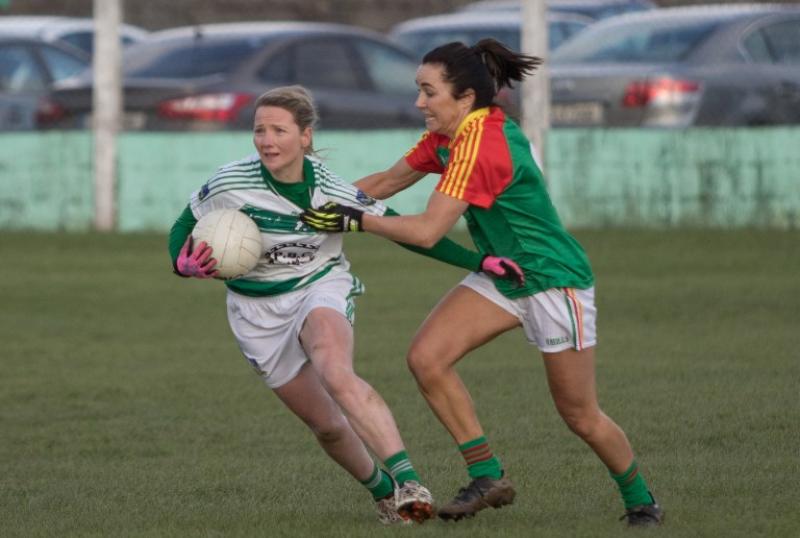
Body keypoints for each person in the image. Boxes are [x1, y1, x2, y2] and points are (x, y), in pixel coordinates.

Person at [300, 40, 664, 527]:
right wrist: (306, 209)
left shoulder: (482, 144)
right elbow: (384, 182)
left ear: (466, 97)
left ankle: (642, 502)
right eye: (418, 90)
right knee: (427, 358)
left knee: (579, 414)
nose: (419, 102)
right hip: (503, 273)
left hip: (552, 280)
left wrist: (356, 220)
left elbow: (428, 231)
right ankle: (487, 476)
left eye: (429, 91)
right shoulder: (449, 135)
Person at [167, 85, 521, 525]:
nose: (267, 141)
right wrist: (181, 263)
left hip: (318, 287)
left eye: (279, 130)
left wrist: (478, 261)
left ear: (305, 136)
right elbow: (184, 224)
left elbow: (409, 234)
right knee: (328, 427)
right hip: (254, 312)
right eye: (260, 130)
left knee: (336, 371)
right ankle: (384, 493)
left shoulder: (331, 191)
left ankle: (409, 481)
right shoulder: (230, 182)